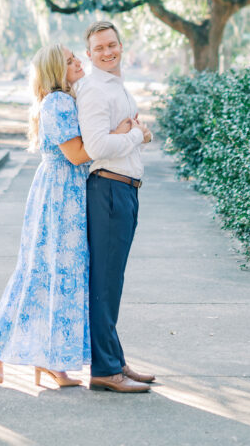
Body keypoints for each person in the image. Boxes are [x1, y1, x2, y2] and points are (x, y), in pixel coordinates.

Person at [0, 43, 136, 388]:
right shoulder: (58, 103)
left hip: (68, 194)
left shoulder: (65, 100)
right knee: (41, 273)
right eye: (70, 61)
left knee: (59, 277)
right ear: (56, 70)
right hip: (60, 197)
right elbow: (78, 154)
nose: (78, 62)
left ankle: (51, 363)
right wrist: (121, 134)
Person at [77, 19, 155, 393]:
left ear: (121, 45)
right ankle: (104, 369)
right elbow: (96, 148)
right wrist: (137, 135)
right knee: (105, 282)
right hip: (107, 190)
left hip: (125, 190)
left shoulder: (117, 87)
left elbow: (121, 136)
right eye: (99, 48)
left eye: (112, 45)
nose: (107, 52)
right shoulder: (94, 90)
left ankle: (115, 359)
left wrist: (135, 134)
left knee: (113, 280)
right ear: (89, 54)